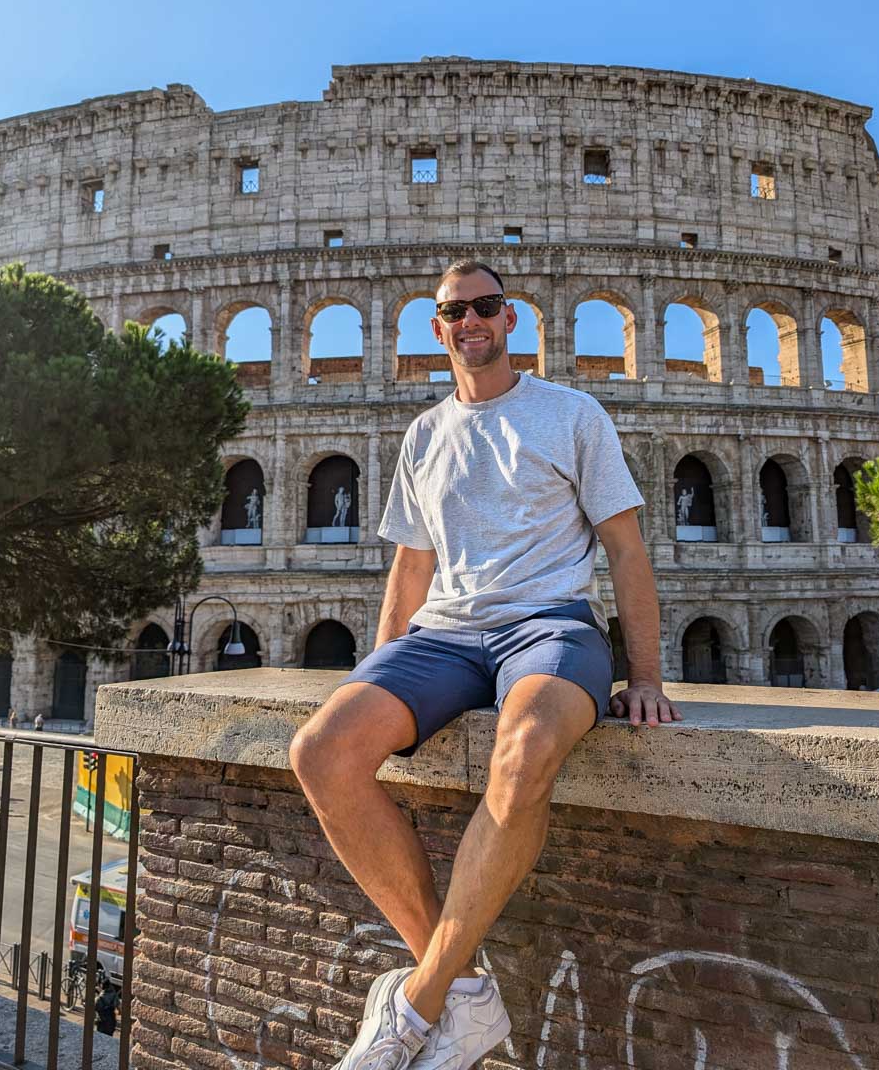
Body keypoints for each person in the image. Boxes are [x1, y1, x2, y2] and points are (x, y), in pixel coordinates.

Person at [289, 260, 682, 1070]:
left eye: (485, 307)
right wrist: (378, 670)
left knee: (526, 747)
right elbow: (410, 567)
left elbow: (627, 550)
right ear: (437, 331)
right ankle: (463, 991)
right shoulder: (425, 433)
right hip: (444, 637)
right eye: (452, 312)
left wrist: (645, 677)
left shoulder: (571, 413)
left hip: (549, 626)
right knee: (321, 752)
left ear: (512, 321)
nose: (469, 321)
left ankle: (417, 1007)